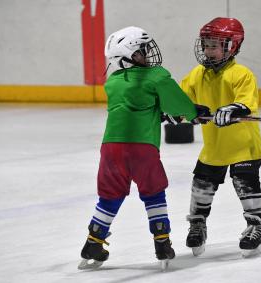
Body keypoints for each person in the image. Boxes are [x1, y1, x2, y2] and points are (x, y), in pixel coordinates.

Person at [78, 26, 209, 270]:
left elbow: (137, 106)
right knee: (153, 193)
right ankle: (162, 243)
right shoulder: (156, 76)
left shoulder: (113, 82)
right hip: (142, 149)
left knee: (110, 195)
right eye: (142, 50)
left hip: (111, 149)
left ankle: (93, 242)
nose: (148, 54)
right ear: (128, 55)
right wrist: (193, 112)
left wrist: (160, 114)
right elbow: (176, 103)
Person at [180, 17, 261, 258]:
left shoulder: (241, 74)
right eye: (206, 45)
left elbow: (246, 101)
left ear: (232, 46)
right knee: (201, 186)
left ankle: (255, 225)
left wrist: (232, 109)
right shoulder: (198, 74)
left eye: (214, 45)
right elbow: (182, 98)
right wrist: (181, 111)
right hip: (214, 147)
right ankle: (197, 224)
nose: (208, 51)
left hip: (244, 146)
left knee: (245, 185)